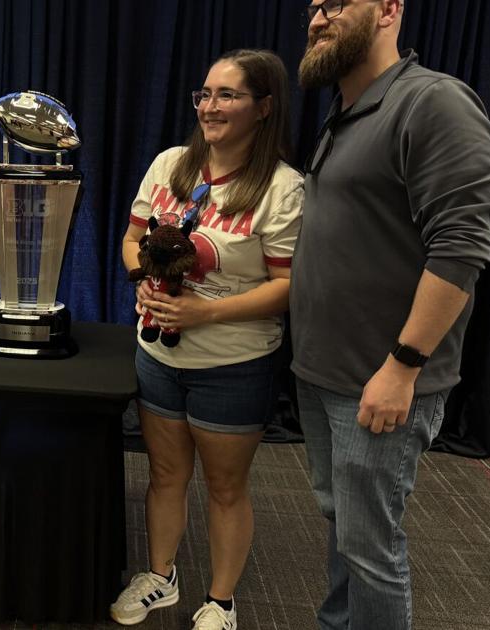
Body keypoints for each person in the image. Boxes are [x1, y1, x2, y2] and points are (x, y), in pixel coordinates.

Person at [291, 1, 490, 628]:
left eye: (336, 3)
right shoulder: (347, 114)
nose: (318, 17)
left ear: (389, 10)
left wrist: (404, 366)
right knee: (345, 532)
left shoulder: (432, 103)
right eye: (313, 5)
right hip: (326, 375)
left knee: (370, 548)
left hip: (380, 382)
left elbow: (462, 247)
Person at [111, 49, 304, 630]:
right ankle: (161, 576)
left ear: (263, 107)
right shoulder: (171, 164)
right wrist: (145, 282)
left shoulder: (282, 188)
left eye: (227, 95)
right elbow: (131, 240)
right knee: (165, 474)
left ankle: (221, 602)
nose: (210, 107)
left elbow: (288, 287)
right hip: (157, 355)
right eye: (204, 94)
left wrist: (205, 315)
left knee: (225, 487)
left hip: (234, 363)